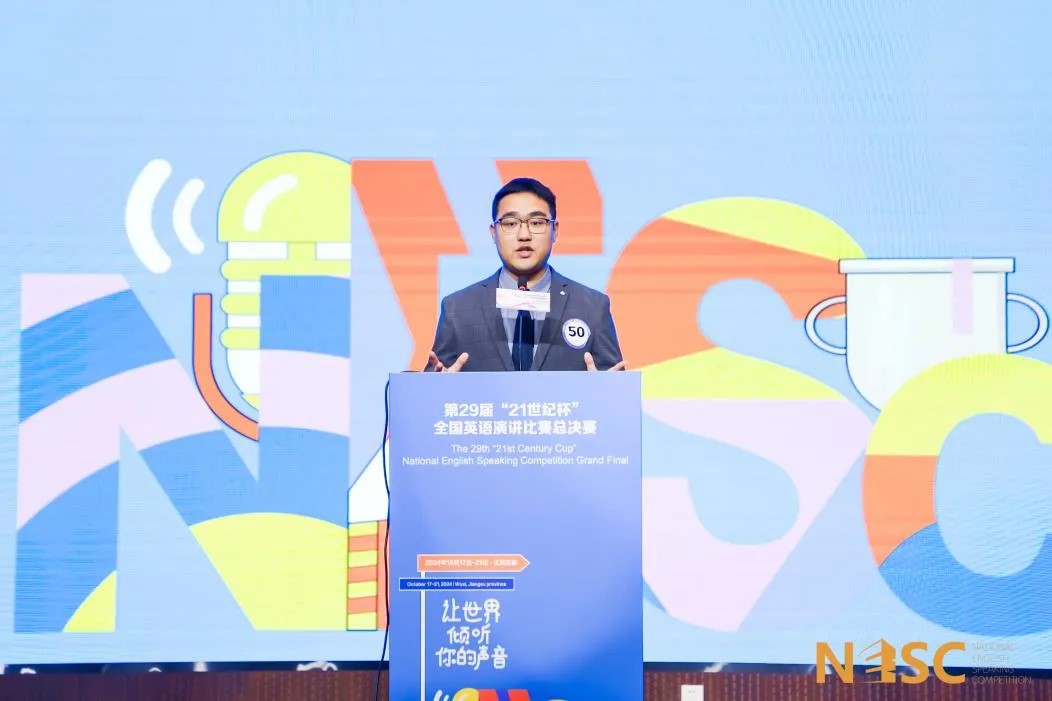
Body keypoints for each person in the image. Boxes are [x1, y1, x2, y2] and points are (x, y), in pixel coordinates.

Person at [426, 177, 626, 373]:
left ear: (555, 230)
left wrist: (607, 387)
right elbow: (430, 384)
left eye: (537, 223)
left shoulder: (592, 307)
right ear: (493, 232)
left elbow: (617, 385)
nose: (524, 235)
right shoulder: (457, 308)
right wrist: (438, 385)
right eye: (510, 223)